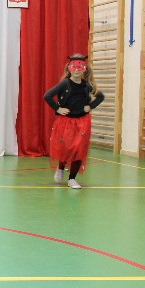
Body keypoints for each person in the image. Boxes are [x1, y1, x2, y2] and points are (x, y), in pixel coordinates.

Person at [43, 54, 105, 189]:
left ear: (84, 69)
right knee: (65, 147)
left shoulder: (87, 85)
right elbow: (47, 95)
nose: (77, 69)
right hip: (66, 121)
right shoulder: (65, 83)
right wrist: (58, 109)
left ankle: (72, 178)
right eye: (74, 67)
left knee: (79, 150)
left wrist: (91, 106)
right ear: (69, 68)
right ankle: (60, 167)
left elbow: (100, 96)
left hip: (82, 121)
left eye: (80, 67)